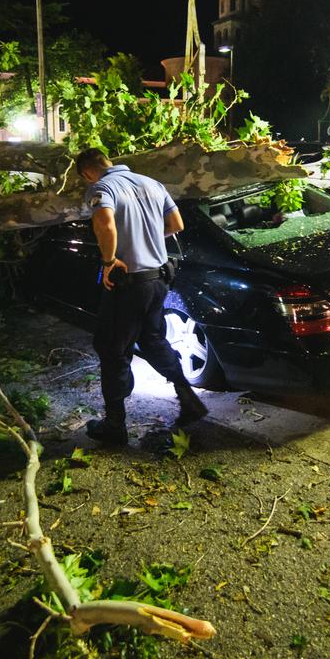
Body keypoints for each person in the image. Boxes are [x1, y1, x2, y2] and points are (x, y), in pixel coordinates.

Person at [75, 148, 208, 445]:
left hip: (130, 284)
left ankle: (114, 424)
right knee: (152, 340)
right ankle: (188, 398)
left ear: (87, 173)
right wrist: (146, 237)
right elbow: (176, 225)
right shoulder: (151, 182)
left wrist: (109, 260)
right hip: (158, 279)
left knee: (111, 348)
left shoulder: (101, 187)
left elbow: (104, 222)